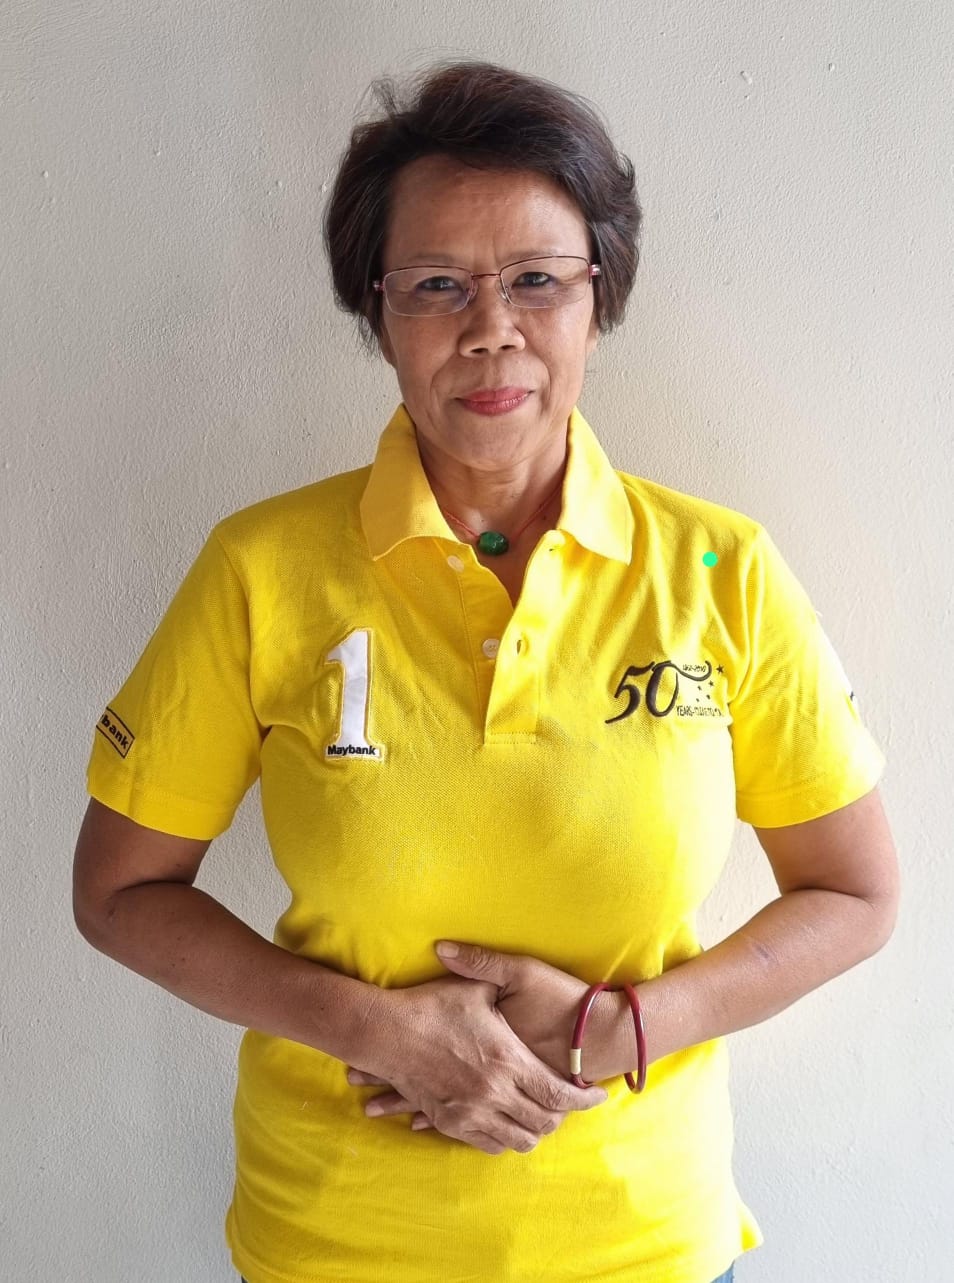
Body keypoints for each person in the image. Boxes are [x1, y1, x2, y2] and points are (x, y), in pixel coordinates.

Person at [72, 59, 899, 1283]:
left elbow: (855, 892)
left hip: (645, 1242)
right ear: (378, 310)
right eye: (437, 284)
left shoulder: (720, 570)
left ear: (600, 292)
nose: (491, 326)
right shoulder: (262, 569)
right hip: (335, 1244)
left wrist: (624, 1026)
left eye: (537, 279)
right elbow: (119, 890)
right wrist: (377, 1028)